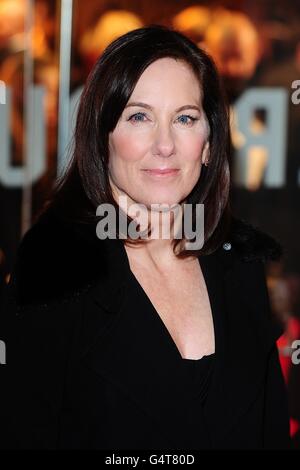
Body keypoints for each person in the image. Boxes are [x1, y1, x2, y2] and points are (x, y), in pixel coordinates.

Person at [0, 24, 291, 450]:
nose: (165, 145)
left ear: (209, 143)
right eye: (139, 116)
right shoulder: (54, 270)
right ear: (103, 137)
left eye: (185, 119)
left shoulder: (240, 266)